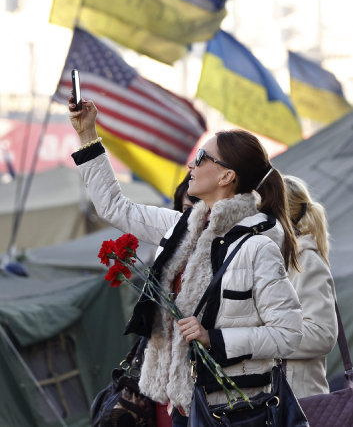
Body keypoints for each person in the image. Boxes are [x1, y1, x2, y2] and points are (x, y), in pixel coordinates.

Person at [68, 98, 303, 426]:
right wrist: (87, 134)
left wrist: (214, 339)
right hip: (173, 405)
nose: (191, 165)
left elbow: (290, 333)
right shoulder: (180, 228)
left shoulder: (257, 247)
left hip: (228, 410)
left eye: (201, 157)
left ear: (226, 177)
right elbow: (113, 207)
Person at [283, 175, 338, 399]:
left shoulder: (306, 260)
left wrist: (262, 339)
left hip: (301, 400)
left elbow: (322, 333)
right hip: (279, 401)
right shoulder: (275, 260)